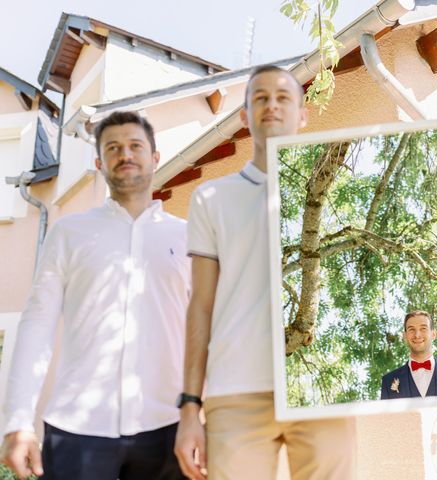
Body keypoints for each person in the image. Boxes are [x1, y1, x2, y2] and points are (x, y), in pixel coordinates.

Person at [174, 65, 356, 480]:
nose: (271, 105)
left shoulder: (337, 190)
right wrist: (189, 408)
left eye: (283, 97)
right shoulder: (211, 197)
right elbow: (200, 305)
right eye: (259, 98)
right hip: (235, 392)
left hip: (322, 390)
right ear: (243, 116)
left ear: (303, 113)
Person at [0, 111, 190, 480]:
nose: (126, 154)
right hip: (77, 429)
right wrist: (17, 420)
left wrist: (204, 415)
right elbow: (37, 325)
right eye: (114, 148)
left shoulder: (189, 237)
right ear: (100, 162)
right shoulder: (69, 233)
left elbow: (206, 330)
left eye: (136, 145)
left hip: (169, 425)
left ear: (155, 156)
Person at [380, 310, 437, 399]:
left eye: (423, 328)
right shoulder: (388, 381)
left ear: (433, 334)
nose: (417, 335)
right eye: (411, 329)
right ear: (405, 336)